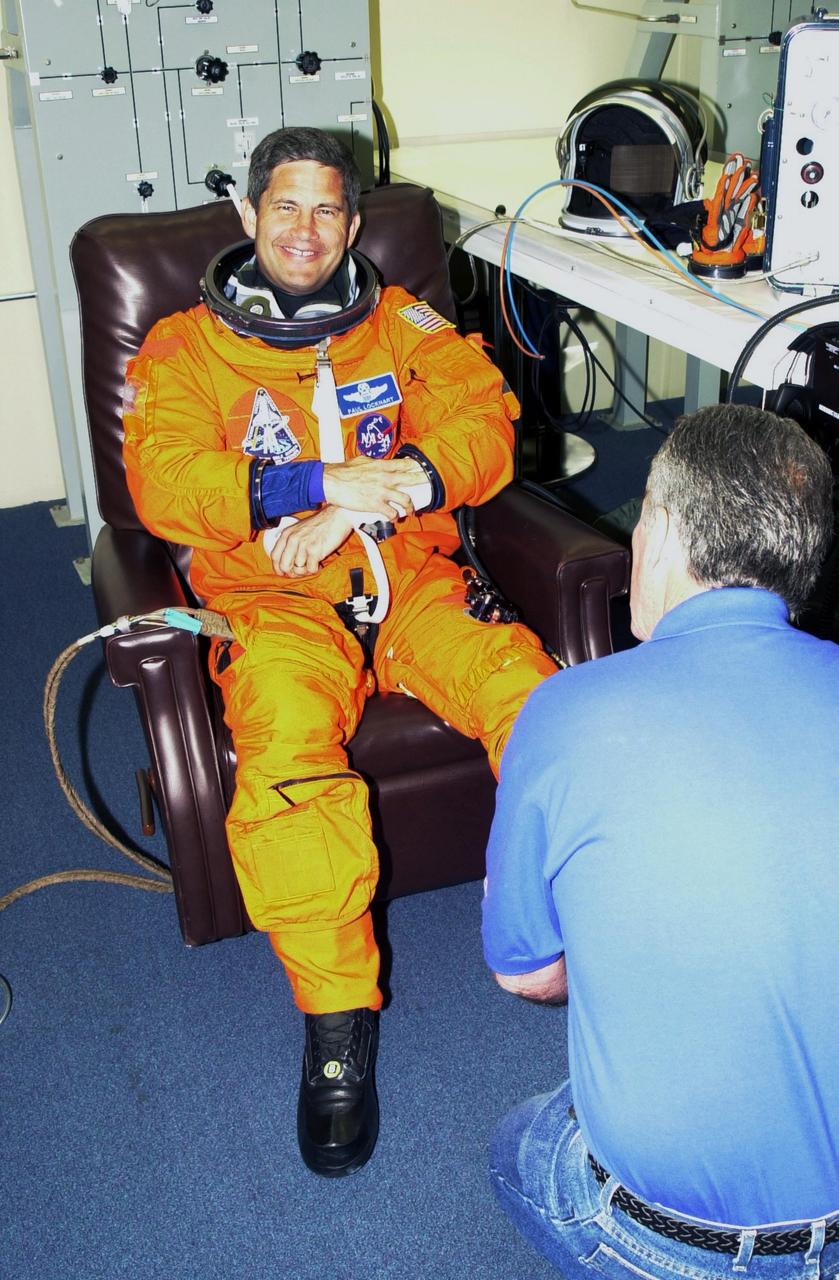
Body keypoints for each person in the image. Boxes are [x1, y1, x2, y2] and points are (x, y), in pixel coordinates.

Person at [121, 126, 556, 1177]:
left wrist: (378, 493)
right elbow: (164, 481)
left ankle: (567, 919)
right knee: (286, 749)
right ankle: (335, 1025)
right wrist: (315, 482)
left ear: (353, 224)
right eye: (285, 206)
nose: (305, 230)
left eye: (326, 209)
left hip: (409, 579)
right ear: (247, 215)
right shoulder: (185, 348)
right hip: (274, 598)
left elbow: (484, 421)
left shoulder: (402, 324)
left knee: (536, 702)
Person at [481, 404, 839, 1278]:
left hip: (672, 1243)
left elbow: (526, 973)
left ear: (665, 530)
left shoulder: (566, 710)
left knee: (520, 1139)